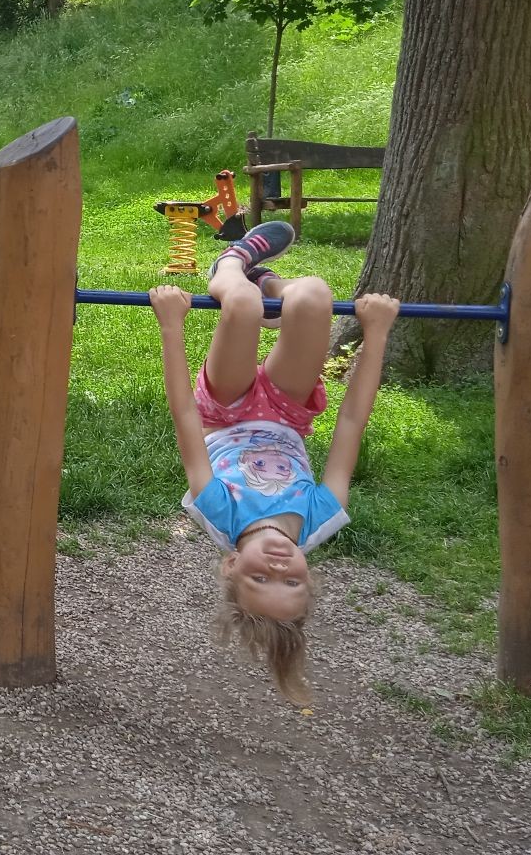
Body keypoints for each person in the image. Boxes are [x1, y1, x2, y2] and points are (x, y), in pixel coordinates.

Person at [149, 220, 399, 704]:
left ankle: (231, 265)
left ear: (231, 565)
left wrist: (171, 326)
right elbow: (351, 423)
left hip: (223, 411)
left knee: (240, 306)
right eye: (293, 579)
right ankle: (271, 288)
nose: (279, 566)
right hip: (288, 413)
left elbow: (185, 416)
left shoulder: (220, 512)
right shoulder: (320, 516)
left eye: (260, 577)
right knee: (314, 295)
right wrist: (377, 335)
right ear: (309, 573)